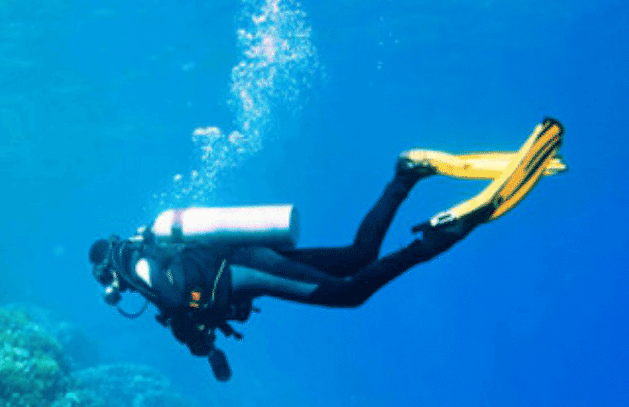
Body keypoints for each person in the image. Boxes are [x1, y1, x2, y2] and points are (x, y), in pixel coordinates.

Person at [89, 118, 564, 381]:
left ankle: (446, 231)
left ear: (108, 270)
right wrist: (203, 342)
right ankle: (405, 175)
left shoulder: (137, 266)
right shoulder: (145, 250)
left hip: (245, 269)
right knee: (358, 256)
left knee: (350, 293)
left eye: (107, 283)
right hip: (246, 262)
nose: (113, 291)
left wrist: (188, 333)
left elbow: (176, 300)